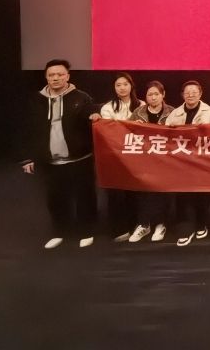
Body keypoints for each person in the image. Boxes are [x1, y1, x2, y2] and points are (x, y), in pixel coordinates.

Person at [20, 59, 97, 249]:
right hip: (50, 161)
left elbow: (91, 113)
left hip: (80, 158)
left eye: (60, 74)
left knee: (84, 197)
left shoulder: (81, 97)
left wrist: (94, 115)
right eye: (51, 75)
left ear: (67, 76)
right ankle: (60, 232)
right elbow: (27, 129)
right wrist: (27, 158)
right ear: (46, 77)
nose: (56, 78)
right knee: (55, 199)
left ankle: (86, 232)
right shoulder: (36, 99)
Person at [165, 80, 210, 246]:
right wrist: (171, 128)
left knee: (202, 194)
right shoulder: (175, 113)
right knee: (183, 195)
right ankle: (185, 229)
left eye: (194, 92)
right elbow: (164, 134)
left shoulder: (209, 111)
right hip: (181, 160)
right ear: (182, 95)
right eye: (187, 92)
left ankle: (201, 224)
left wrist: (206, 129)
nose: (190, 95)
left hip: (202, 160)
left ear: (200, 94)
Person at [96, 72, 144, 242]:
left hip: (136, 156)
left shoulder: (142, 105)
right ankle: (119, 229)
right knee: (116, 193)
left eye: (125, 84)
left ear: (131, 86)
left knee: (135, 193)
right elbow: (109, 130)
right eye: (118, 85)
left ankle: (136, 226)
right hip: (115, 155)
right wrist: (132, 125)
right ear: (114, 88)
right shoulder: (107, 108)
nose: (122, 88)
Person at [127, 80, 174, 243]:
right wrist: (133, 125)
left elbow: (181, 134)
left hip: (165, 160)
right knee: (143, 192)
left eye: (156, 94)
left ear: (163, 95)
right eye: (149, 94)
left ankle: (161, 224)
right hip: (144, 160)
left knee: (162, 193)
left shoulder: (172, 112)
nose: (153, 97)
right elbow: (126, 131)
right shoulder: (138, 112)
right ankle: (144, 224)